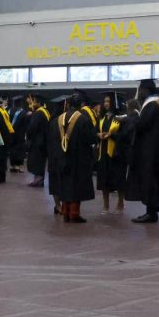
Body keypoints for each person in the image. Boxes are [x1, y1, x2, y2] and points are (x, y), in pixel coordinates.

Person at [126, 79, 159, 223]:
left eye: (141, 90)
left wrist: (132, 116)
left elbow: (142, 124)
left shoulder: (152, 106)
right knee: (152, 180)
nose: (139, 93)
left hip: (150, 151)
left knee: (151, 181)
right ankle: (151, 211)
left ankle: (151, 212)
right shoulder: (157, 105)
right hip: (153, 150)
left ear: (146, 90)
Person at [60, 91, 98, 223]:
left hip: (63, 157)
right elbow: (91, 138)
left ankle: (65, 211)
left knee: (65, 184)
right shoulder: (83, 119)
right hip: (79, 158)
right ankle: (74, 213)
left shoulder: (59, 119)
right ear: (80, 105)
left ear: (68, 104)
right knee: (77, 185)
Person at [95, 93, 127, 215]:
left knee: (118, 179)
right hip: (103, 152)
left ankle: (120, 203)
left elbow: (125, 135)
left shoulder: (120, 118)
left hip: (117, 153)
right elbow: (95, 131)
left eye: (108, 101)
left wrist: (111, 135)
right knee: (104, 180)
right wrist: (98, 135)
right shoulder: (102, 118)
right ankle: (106, 205)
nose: (106, 104)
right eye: (105, 101)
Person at [25, 94, 51, 188]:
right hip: (44, 141)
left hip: (37, 142)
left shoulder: (38, 113)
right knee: (40, 161)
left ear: (39, 103)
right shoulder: (46, 112)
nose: (33, 103)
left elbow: (31, 128)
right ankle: (38, 179)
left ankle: (38, 180)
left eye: (35, 102)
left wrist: (28, 135)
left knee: (36, 161)